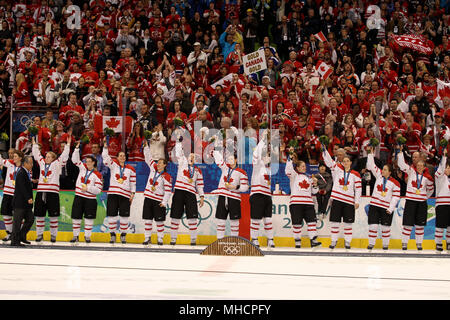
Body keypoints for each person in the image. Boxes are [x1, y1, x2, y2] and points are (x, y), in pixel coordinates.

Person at [322, 143, 362, 249]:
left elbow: (358, 189)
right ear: (342, 162)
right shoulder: (337, 169)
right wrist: (324, 150)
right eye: (344, 161)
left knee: (348, 224)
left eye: (347, 161)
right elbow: (329, 162)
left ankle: (347, 242)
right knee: (335, 222)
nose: (345, 163)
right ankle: (333, 241)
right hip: (337, 199)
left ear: (350, 162)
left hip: (349, 201)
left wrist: (357, 201)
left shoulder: (356, 174)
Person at [32, 135, 71, 243]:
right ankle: (39, 234)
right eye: (46, 156)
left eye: (49, 156)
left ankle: (53, 235)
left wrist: (67, 145)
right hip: (41, 192)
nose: (46, 158)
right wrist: (34, 144)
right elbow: (36, 154)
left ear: (53, 158)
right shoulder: (42, 163)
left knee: (53, 216)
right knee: (39, 215)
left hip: (53, 193)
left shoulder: (57, 164)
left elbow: (64, 156)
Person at [396, 144, 434, 250]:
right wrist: (400, 153)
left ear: (424, 167)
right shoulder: (411, 171)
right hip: (411, 201)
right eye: (418, 166)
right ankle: (404, 243)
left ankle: (419, 244)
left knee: (420, 225)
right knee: (408, 224)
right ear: (416, 166)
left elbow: (431, 189)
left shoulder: (427, 178)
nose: (419, 168)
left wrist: (424, 197)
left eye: (421, 166)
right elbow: (401, 164)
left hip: (421, 202)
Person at [170, 138, 205, 246]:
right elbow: (178, 152)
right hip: (179, 191)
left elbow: (199, 185)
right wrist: (179, 141)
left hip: (191, 193)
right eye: (191, 156)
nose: (192, 158)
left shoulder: (197, 170)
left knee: (192, 216)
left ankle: (193, 239)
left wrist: (202, 196)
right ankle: (173, 239)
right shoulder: (182, 162)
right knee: (175, 215)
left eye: (194, 157)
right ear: (187, 157)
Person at [285, 147, 322, 249]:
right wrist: (290, 155)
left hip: (309, 204)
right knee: (297, 224)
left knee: (312, 222)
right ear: (297, 168)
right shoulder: (294, 175)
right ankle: (297, 242)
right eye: (302, 166)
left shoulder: (309, 177)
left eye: (305, 166)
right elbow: (288, 169)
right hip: (296, 203)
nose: (304, 167)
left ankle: (313, 241)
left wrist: (315, 184)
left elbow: (314, 191)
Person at [366, 147, 401, 250]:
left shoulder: (396, 183)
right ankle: (371, 244)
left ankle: (385, 245)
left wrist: (391, 208)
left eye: (385, 170)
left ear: (390, 172)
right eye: (383, 169)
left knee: (386, 228)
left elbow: (396, 197)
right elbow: (371, 166)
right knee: (373, 226)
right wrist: (370, 154)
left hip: (386, 208)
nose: (382, 171)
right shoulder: (379, 176)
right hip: (374, 205)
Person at [102, 138, 136, 244]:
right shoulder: (114, 166)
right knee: (111, 215)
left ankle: (123, 235)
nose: (122, 157)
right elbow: (105, 158)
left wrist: (132, 194)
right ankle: (112, 235)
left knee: (124, 216)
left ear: (125, 158)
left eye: (124, 156)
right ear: (117, 158)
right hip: (113, 194)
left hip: (125, 195)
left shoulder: (131, 169)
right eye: (120, 156)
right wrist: (105, 147)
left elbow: (133, 183)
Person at [70, 142, 104, 243]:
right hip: (79, 196)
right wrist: (76, 149)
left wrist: (88, 188)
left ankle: (87, 236)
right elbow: (74, 160)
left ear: (94, 162)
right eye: (86, 161)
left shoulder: (98, 174)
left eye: (89, 161)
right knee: (76, 217)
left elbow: (98, 190)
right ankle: (75, 236)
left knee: (89, 219)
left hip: (90, 199)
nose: (87, 163)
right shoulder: (82, 167)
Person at [212, 144, 248, 240]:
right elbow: (218, 159)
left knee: (234, 221)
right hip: (223, 196)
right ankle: (219, 241)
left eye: (232, 159)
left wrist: (234, 187)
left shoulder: (242, 172)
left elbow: (245, 187)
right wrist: (216, 147)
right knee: (221, 220)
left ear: (236, 160)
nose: (230, 160)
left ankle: (234, 240)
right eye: (229, 159)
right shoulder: (225, 168)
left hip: (234, 198)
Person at [142, 140, 172, 245]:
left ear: (164, 165)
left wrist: (164, 202)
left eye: (160, 163)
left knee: (159, 221)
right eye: (158, 162)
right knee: (148, 220)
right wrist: (146, 147)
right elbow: (148, 158)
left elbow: (168, 191)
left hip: (158, 200)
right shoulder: (153, 168)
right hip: (148, 198)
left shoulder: (167, 176)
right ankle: (147, 238)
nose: (158, 164)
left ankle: (160, 239)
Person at [249, 131, 274, 248]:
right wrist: (263, 139)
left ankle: (270, 239)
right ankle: (254, 239)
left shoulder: (269, 169)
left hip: (267, 195)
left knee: (268, 219)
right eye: (265, 155)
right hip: (257, 194)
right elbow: (258, 152)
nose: (267, 157)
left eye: (268, 155)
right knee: (256, 219)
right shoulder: (257, 165)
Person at [11, 156, 34, 247]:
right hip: (20, 202)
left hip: (26, 204)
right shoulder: (21, 173)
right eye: (30, 163)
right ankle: (14, 240)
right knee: (17, 222)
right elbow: (22, 187)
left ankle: (21, 235)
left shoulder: (26, 172)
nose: (32, 165)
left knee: (30, 219)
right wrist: (28, 197)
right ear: (25, 163)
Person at [0, 149, 23, 242]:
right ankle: (10, 233)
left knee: (18, 215)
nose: (13, 158)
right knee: (5, 213)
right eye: (13, 156)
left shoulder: (24, 168)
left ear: (20, 158)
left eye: (15, 156)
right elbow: (1, 160)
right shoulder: (9, 163)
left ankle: (17, 234)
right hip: (7, 192)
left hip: (17, 195)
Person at [433, 147, 450, 252]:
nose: (446, 169)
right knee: (440, 226)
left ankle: (449, 242)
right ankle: (438, 243)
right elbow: (441, 168)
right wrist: (444, 157)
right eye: (446, 168)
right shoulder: (439, 177)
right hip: (441, 204)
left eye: (448, 168)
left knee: (449, 226)